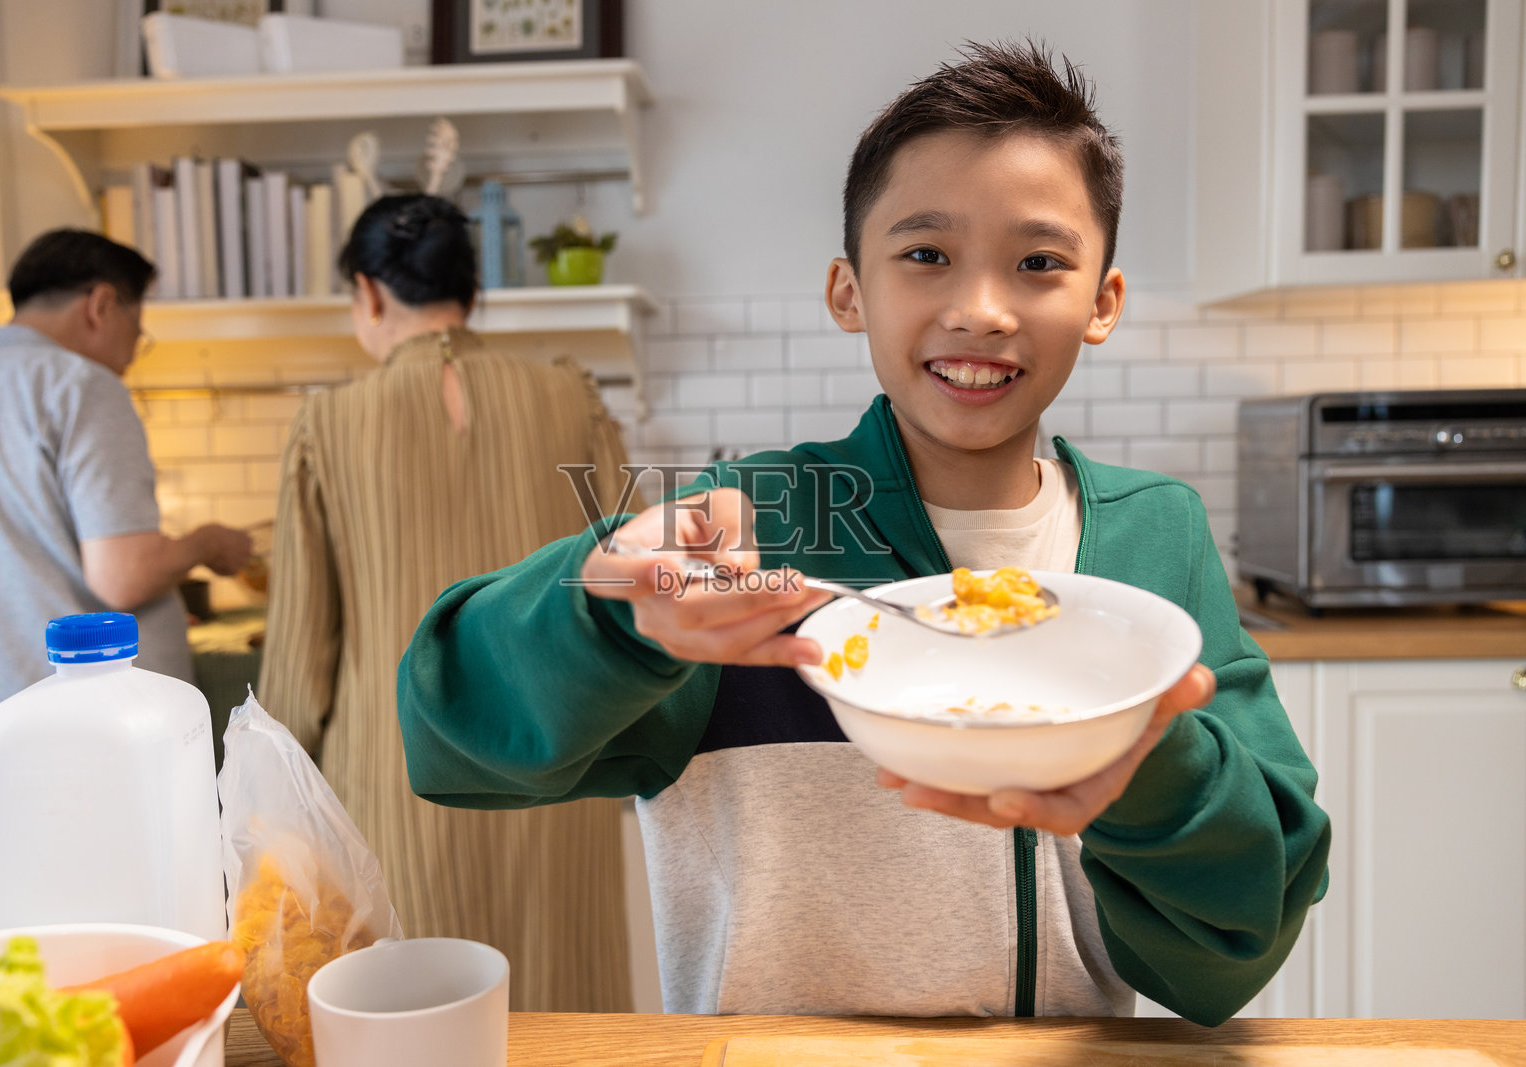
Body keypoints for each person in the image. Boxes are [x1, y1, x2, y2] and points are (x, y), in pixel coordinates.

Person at [396, 42, 1331, 1025]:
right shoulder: (752, 525)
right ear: (849, 290)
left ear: (1102, 300)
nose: (979, 309)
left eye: (1039, 263)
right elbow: (448, 741)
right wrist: (613, 615)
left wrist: (1154, 762)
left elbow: (1232, 954)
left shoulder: (1157, 535)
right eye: (925, 255)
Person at [257, 194, 638, 1012]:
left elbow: (300, 654)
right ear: (473, 289)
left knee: (408, 1016)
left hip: (397, 772)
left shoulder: (329, 424)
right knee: (564, 1011)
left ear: (367, 292)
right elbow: (628, 593)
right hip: (556, 760)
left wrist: (276, 804)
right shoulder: (570, 397)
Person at [0, 229, 253, 934]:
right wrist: (203, 543)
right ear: (102, 304)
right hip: (102, 748)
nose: (137, 346)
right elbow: (122, 572)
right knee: (140, 951)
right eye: (140, 323)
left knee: (11, 950)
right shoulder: (80, 385)